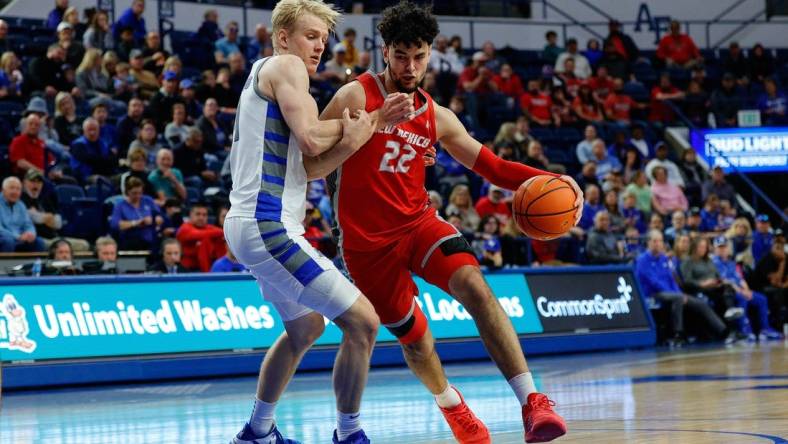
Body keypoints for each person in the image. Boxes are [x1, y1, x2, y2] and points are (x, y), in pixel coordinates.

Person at [320, 3, 579, 442]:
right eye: (401, 55)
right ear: (385, 52)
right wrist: (373, 130)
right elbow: (313, 157)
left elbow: (494, 168)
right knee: (417, 342)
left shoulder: (436, 116)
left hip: (419, 223)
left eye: (419, 56)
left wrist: (553, 180)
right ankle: (450, 404)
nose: (410, 66)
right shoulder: (354, 97)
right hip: (366, 245)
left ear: (430, 55)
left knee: (475, 287)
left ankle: (533, 402)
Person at [222, 1, 413, 442]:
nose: (319, 48)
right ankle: (349, 434)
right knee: (364, 322)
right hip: (266, 222)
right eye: (311, 36)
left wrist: (365, 131)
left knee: (306, 327)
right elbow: (310, 138)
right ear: (284, 36)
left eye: (324, 41)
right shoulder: (285, 65)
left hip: (252, 222)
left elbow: (311, 167)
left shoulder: (270, 78)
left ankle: (258, 431)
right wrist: (376, 118)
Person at [636, 230, 727, 345]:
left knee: (699, 303)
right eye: (655, 241)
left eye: (660, 241)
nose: (658, 243)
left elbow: (671, 279)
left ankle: (723, 331)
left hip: (671, 293)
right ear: (648, 243)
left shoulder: (663, 258)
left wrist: (680, 292)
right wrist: (677, 294)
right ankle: (678, 334)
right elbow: (654, 283)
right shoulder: (642, 260)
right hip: (653, 294)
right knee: (678, 299)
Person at [712, 237, 782, 340]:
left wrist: (747, 290)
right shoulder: (714, 262)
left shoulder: (731, 262)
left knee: (761, 299)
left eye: (724, 247)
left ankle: (765, 329)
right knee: (742, 298)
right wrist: (740, 291)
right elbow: (724, 280)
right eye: (720, 247)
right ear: (715, 249)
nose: (722, 249)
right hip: (727, 292)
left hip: (740, 289)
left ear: (728, 248)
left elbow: (740, 278)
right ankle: (744, 330)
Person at [110, 177, 162, 251]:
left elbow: (160, 218)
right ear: (127, 192)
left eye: (140, 193)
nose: (138, 196)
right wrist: (136, 223)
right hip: (130, 239)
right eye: (134, 193)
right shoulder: (120, 205)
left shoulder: (148, 200)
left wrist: (152, 220)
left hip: (151, 238)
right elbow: (115, 225)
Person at [0, 177, 46, 253]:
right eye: (11, 188)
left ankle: (34, 265)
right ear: (3, 190)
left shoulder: (21, 205)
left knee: (39, 242)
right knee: (8, 241)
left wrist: (30, 234)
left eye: (18, 189)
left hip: (19, 239)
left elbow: (29, 225)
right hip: (5, 238)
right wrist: (18, 237)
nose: (15, 191)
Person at [175, 203, 226, 272]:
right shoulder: (184, 228)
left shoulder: (208, 228)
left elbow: (218, 232)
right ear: (190, 215)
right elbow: (200, 234)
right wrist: (224, 232)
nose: (201, 218)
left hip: (208, 268)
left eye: (204, 215)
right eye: (198, 214)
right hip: (187, 270)